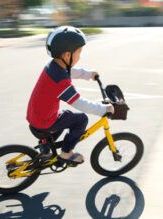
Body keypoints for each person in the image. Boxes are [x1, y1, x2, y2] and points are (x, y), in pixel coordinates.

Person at [27, 26, 114, 166]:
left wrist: (87, 74)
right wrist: (103, 110)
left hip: (36, 117)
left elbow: (69, 72)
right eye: (79, 52)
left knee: (63, 118)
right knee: (80, 119)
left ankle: (45, 147)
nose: (80, 56)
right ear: (67, 55)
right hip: (44, 121)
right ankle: (67, 153)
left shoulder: (53, 66)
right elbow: (79, 103)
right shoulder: (60, 81)